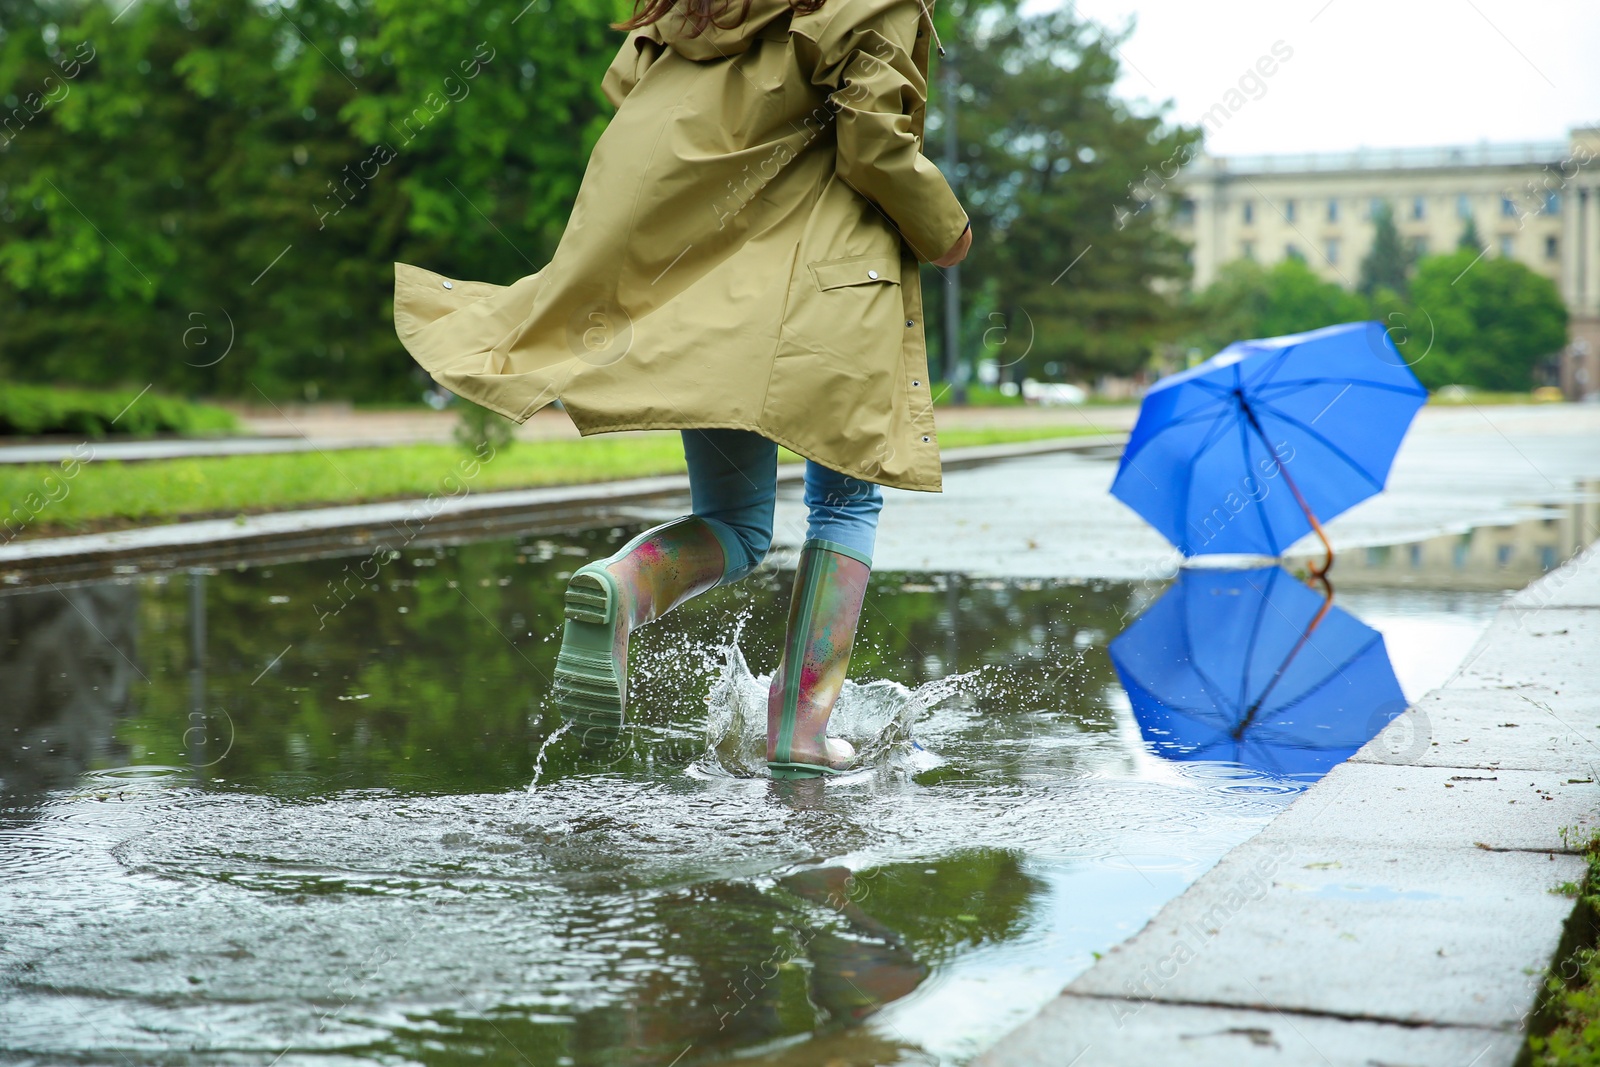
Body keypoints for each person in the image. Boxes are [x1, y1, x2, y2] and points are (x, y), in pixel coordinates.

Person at [391, 0, 971, 778]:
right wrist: (948, 229)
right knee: (846, 502)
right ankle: (799, 732)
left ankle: (622, 587)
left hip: (717, 291)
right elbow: (872, 141)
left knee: (733, 522)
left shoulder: (695, 7)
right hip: (832, 286)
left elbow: (642, 105)